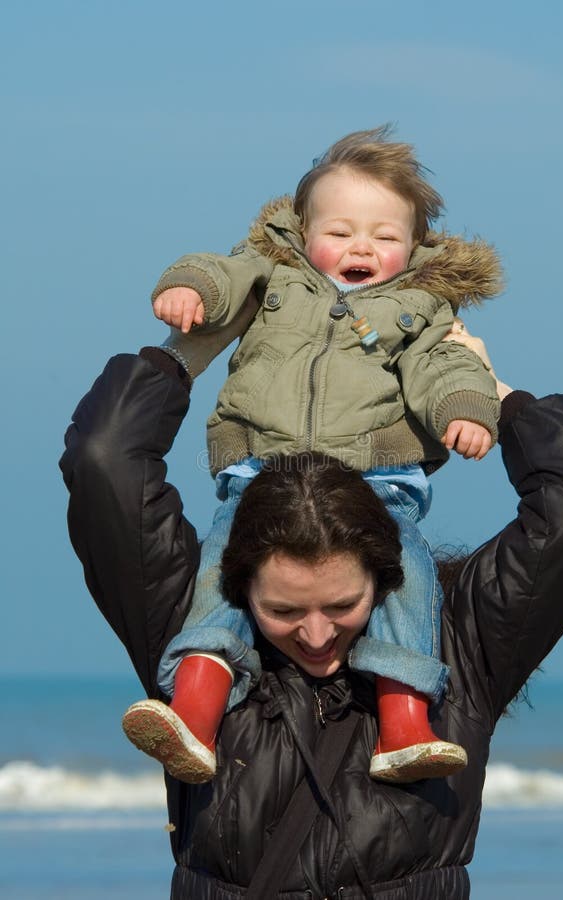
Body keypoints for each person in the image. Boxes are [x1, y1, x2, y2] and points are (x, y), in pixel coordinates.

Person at [60, 327, 563, 899]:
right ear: (236, 584)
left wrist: (494, 396)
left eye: (342, 605)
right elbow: (104, 462)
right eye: (282, 609)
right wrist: (193, 349)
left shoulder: (460, 644)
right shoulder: (190, 628)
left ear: (385, 577)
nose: (314, 634)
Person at [121, 126, 503, 784]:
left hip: (374, 483)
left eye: (385, 237)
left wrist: (467, 411)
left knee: (406, 571)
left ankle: (405, 720)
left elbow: (444, 370)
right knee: (222, 571)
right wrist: (190, 290)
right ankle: (194, 710)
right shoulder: (272, 273)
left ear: (413, 246)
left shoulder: (419, 309)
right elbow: (220, 274)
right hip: (261, 475)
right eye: (342, 230)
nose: (363, 247)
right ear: (301, 229)